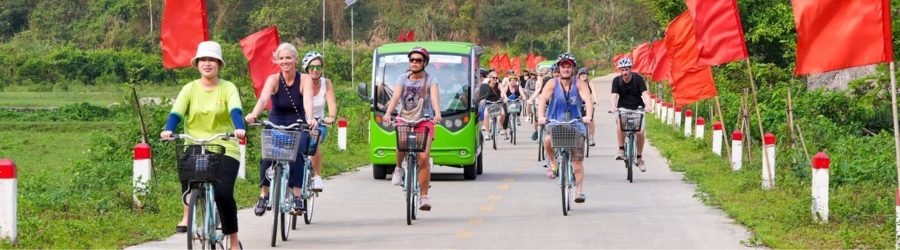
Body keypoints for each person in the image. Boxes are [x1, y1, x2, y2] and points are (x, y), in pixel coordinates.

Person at [162, 41, 245, 248]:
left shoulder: (228, 88)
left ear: (218, 64)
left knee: (223, 193)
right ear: (197, 64)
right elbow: (176, 112)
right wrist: (169, 129)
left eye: (212, 60)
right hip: (196, 144)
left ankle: (233, 241)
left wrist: (239, 128)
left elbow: (235, 110)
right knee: (187, 170)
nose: (207, 64)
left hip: (225, 146)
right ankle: (186, 214)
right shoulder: (189, 88)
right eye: (203, 60)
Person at [244, 43, 318, 216]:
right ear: (277, 60)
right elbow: (263, 100)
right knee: (267, 156)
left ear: (296, 60)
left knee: (297, 154)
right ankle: (263, 194)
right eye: (282, 58)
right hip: (276, 122)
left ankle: (297, 195)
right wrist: (254, 114)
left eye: (289, 58)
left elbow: (308, 101)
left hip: (298, 122)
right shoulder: (274, 79)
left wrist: (310, 118)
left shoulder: (305, 79)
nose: (285, 61)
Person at [383, 46, 443, 210]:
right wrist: (389, 113)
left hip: (425, 119)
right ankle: (398, 169)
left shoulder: (431, 79)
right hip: (405, 118)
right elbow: (395, 98)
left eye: (418, 60)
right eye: (412, 60)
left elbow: (435, 99)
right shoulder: (402, 78)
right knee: (401, 143)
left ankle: (424, 196)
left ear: (424, 63)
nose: (414, 63)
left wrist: (437, 114)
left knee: (423, 158)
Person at [537, 52, 593, 203]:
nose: (566, 69)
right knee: (547, 140)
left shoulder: (579, 84)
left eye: (569, 66)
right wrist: (541, 116)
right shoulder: (552, 83)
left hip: (575, 123)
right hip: (555, 122)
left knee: (577, 161)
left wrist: (588, 115)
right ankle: (554, 164)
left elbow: (588, 99)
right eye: (563, 66)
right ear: (559, 68)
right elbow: (543, 100)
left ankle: (579, 192)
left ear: (573, 69)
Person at [300, 51, 338, 192]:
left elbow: (332, 104)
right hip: (300, 124)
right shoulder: (300, 81)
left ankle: (317, 177)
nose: (315, 70)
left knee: (313, 139)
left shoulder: (326, 83)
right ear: (306, 68)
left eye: (318, 67)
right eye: (312, 67)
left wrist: (331, 117)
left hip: (319, 123)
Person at [610, 58, 652, 172]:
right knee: (620, 124)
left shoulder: (637, 79)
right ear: (620, 70)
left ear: (630, 69)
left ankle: (639, 158)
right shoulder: (616, 81)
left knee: (640, 132)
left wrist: (648, 106)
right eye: (622, 70)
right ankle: (621, 150)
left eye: (627, 69)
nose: (625, 72)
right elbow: (613, 97)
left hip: (638, 108)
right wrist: (613, 107)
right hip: (622, 108)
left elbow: (645, 94)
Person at [480, 71, 507, 140]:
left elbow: (503, 92)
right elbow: (482, 94)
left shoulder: (499, 85)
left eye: (496, 78)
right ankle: (487, 133)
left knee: (503, 114)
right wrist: (482, 99)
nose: (495, 79)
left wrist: (505, 98)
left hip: (498, 103)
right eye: (493, 78)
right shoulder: (486, 85)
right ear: (490, 78)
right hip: (489, 103)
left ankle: (500, 126)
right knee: (486, 115)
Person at [577, 68, 598, 146]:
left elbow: (594, 92)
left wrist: (596, 99)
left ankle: (591, 138)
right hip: (579, 104)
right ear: (578, 76)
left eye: (584, 74)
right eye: (581, 74)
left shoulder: (590, 83)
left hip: (588, 103)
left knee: (591, 120)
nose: (583, 75)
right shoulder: (577, 83)